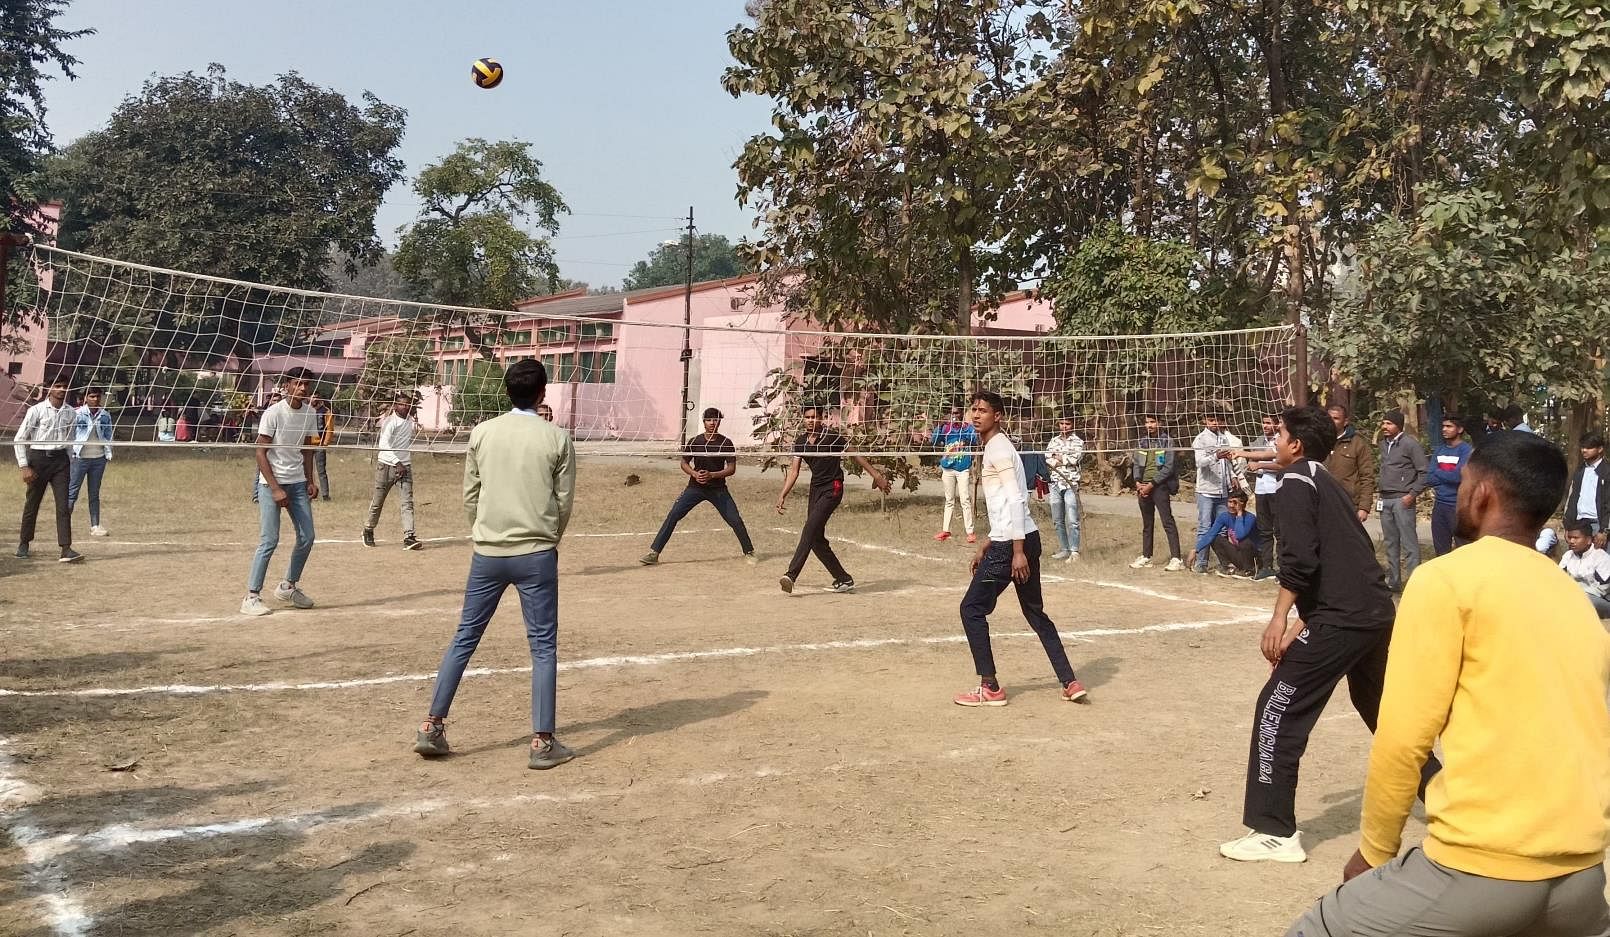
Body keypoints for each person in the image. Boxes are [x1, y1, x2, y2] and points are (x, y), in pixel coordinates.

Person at [1285, 430, 1610, 937]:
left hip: (1481, 867)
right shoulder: (1574, 600)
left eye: (1462, 482)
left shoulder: (1446, 579)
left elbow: (1403, 738)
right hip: (1583, 879)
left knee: (1316, 930)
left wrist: (1374, 851)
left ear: (1483, 494)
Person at [1220, 405, 1439, 864]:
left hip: (1345, 618)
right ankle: (1449, 800)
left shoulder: (1296, 483)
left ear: (1295, 444)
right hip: (1373, 613)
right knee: (1383, 711)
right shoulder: (1323, 478)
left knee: (1276, 707)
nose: (1273, 440)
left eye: (1278, 434)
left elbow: (1300, 560)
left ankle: (1274, 833)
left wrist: (1280, 619)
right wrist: (1306, 619)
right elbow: (1344, 555)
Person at [414, 359, 577, 769]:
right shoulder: (556, 437)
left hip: (487, 553)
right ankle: (541, 743)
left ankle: (431, 727)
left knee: (465, 637)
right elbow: (563, 501)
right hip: (536, 553)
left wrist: (484, 532)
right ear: (543, 394)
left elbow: (471, 493)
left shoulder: (482, 433)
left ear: (507, 392)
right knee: (542, 646)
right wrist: (548, 537)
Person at [953, 392, 1089, 707]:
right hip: (1019, 536)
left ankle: (990, 687)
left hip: (1013, 545)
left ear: (997, 416)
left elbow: (1016, 499)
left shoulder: (998, 449)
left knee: (971, 609)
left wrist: (1016, 552)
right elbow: (1006, 506)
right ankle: (1070, 681)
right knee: (1035, 613)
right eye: (974, 410)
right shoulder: (997, 447)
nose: (976, 415)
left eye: (983, 411)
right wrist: (989, 541)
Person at [775, 404, 891, 594]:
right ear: (803, 419)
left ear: (822, 419)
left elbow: (855, 455)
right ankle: (843, 578)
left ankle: (791, 575)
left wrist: (876, 475)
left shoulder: (832, 437)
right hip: (816, 489)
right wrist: (783, 494)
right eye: (808, 417)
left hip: (833, 488)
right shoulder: (801, 442)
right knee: (816, 539)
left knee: (809, 529)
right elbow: (794, 471)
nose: (811, 421)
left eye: (815, 417)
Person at [241, 368, 320, 617]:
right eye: (298, 384)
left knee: (307, 536)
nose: (303, 388)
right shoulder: (273, 413)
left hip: (297, 483)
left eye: (307, 384)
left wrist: (310, 480)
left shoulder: (310, 412)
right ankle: (251, 596)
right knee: (269, 540)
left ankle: (287, 586)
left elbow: (308, 450)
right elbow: (260, 452)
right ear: (287, 385)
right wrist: (275, 488)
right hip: (271, 484)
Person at [640, 407, 757, 566]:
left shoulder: (726, 443)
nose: (712, 423)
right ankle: (654, 552)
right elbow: (684, 463)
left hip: (718, 489)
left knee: (735, 519)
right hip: (695, 488)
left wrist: (713, 475)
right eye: (709, 420)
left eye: (715, 420)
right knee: (674, 515)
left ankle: (749, 551)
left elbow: (731, 468)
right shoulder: (695, 441)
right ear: (704, 422)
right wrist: (694, 474)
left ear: (719, 422)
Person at [13, 376, 82, 562]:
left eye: (64, 387)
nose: (61, 390)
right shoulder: (37, 410)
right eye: (57, 386)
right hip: (39, 459)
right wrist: (24, 466)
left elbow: (70, 441)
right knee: (32, 503)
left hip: (60, 461)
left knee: (63, 505)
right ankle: (24, 543)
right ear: (49, 389)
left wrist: (70, 463)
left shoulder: (71, 413)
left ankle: (66, 548)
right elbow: (20, 438)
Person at [363, 392, 422, 550]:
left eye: (407, 404)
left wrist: (403, 464)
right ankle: (368, 529)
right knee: (378, 502)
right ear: (396, 405)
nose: (405, 406)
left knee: (407, 502)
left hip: (405, 466)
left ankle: (409, 536)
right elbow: (384, 444)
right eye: (401, 404)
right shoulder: (390, 421)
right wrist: (397, 463)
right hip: (387, 465)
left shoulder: (410, 420)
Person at [1378, 409, 1427, 592]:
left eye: (1389, 423)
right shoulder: (1383, 444)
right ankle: (1394, 582)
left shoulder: (1410, 445)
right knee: (1391, 543)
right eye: (1383, 423)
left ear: (1398, 425)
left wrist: (1411, 494)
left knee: (1409, 544)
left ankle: (1414, 584)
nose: (1384, 426)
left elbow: (1424, 472)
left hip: (1402, 500)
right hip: (1385, 499)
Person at [1227, 414, 1281, 580]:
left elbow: (1280, 463)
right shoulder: (1258, 441)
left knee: (1280, 531)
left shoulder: (1282, 441)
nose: (1265, 426)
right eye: (1263, 423)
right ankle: (1266, 566)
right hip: (1262, 489)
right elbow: (1253, 459)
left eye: (1268, 423)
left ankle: (1283, 568)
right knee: (1264, 530)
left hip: (1277, 488)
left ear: (1277, 424)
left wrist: (1247, 457)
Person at [1129, 413, 1184, 571]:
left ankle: (1176, 558)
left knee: (1167, 521)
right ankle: (1146, 556)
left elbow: (1168, 467)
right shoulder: (1142, 441)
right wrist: (1138, 482)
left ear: (1159, 423)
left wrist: (1151, 484)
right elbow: (1137, 464)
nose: (1149, 425)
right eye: (1147, 422)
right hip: (1143, 486)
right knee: (1147, 524)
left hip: (1159, 486)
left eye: (1152, 422)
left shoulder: (1167, 441)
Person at [1191, 411, 1237, 573]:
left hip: (1222, 490)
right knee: (1205, 527)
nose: (1215, 423)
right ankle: (1201, 563)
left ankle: (1225, 563)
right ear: (1205, 421)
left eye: (1218, 420)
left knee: (1223, 529)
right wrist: (1215, 457)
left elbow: (1227, 462)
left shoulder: (1223, 438)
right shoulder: (1201, 439)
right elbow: (1199, 462)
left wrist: (1232, 476)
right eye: (1211, 420)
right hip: (1206, 490)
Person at [68, 387, 114, 537]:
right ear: (86, 398)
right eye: (92, 396)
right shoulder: (77, 413)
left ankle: (95, 525)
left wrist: (108, 453)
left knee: (94, 493)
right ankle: (64, 522)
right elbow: (70, 434)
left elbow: (108, 435)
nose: (95, 399)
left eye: (97, 397)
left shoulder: (105, 415)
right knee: (72, 491)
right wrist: (71, 453)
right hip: (80, 458)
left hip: (98, 459)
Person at [930, 404, 978, 543]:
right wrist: (939, 427)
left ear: (961, 414)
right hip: (948, 468)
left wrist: (969, 429)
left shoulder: (967, 428)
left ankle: (970, 532)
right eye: (951, 413)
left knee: (965, 500)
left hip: (962, 468)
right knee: (949, 500)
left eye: (957, 413)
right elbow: (934, 441)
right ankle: (946, 530)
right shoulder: (945, 428)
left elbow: (975, 440)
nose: (954, 415)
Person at [1425, 415, 1472, 556]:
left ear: (1460, 429)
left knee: (1463, 549)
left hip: (1458, 506)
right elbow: (1430, 477)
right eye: (1443, 426)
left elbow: (1459, 476)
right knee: (1441, 550)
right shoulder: (1439, 450)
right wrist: (1447, 475)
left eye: (1449, 426)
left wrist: (1439, 472)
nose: (1444, 429)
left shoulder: (1466, 450)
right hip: (1439, 506)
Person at [1189, 490, 1260, 579]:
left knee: (1245, 542)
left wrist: (1239, 514)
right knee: (1216, 538)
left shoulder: (1250, 518)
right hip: (1239, 553)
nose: (1231, 505)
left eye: (1235, 503)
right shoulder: (1224, 516)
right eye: (1229, 502)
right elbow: (1211, 534)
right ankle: (1229, 567)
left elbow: (1239, 535)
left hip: (1252, 556)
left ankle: (1249, 570)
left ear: (1242, 504)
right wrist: (1196, 550)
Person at [1324, 403, 1376, 523]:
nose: (1331, 422)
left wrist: (1364, 507)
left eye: (1336, 418)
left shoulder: (1358, 444)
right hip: (1323, 503)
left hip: (1348, 505)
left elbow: (1367, 477)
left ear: (1345, 421)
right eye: (1328, 418)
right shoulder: (1319, 441)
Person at [1044, 415, 1084, 561]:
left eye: (1067, 423)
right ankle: (1064, 548)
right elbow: (1048, 458)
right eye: (1061, 423)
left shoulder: (1078, 442)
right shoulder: (1053, 441)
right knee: (1057, 519)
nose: (1064, 426)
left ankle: (1074, 551)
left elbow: (1074, 459)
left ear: (1072, 424)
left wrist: (1059, 458)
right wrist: (1060, 459)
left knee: (1072, 518)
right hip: (1055, 483)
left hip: (1071, 483)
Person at [1564, 431, 1609, 546]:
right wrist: (1568, 526)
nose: (1584, 450)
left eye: (1589, 447)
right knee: (1576, 562)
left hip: (1598, 525)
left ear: (1600, 449)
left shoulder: (1607, 472)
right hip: (1578, 524)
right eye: (1583, 447)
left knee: (1601, 562)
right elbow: (1572, 498)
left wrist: (1604, 530)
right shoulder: (1580, 470)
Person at [1559, 517, 1610, 619]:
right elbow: (1559, 579)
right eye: (1570, 537)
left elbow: (1604, 589)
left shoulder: (1600, 556)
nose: (1571, 541)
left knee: (1583, 600)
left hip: (1599, 601)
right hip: (1572, 596)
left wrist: (1577, 593)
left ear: (1589, 540)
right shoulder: (1568, 555)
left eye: (1576, 538)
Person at [307, 393, 334, 500]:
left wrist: (325, 443)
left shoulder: (326, 411)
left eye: (316, 397)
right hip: (307, 445)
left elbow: (330, 428)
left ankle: (325, 495)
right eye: (312, 396)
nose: (314, 399)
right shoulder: (306, 410)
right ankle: (310, 493)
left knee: (321, 470)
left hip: (319, 445)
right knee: (307, 470)